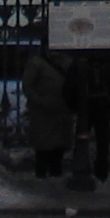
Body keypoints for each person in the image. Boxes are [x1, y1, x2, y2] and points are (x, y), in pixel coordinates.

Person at [63, 48, 110, 190]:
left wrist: (74, 105)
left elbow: (69, 87)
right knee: (102, 138)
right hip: (102, 104)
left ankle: (83, 167)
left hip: (87, 105)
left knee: (82, 136)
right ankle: (99, 168)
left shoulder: (80, 63)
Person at [23, 44, 73, 178]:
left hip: (62, 110)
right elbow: (27, 86)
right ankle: (42, 174)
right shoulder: (36, 63)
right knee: (43, 146)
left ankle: (55, 173)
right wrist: (41, 101)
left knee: (59, 146)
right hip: (42, 111)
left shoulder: (66, 62)